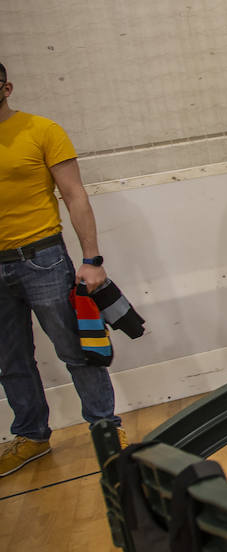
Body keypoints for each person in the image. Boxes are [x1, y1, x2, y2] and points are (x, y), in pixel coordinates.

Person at [0, 61, 124, 476]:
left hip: (42, 259)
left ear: (7, 87)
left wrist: (91, 260)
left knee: (76, 350)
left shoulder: (42, 131)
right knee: (10, 359)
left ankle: (106, 429)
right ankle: (31, 435)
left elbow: (74, 195)